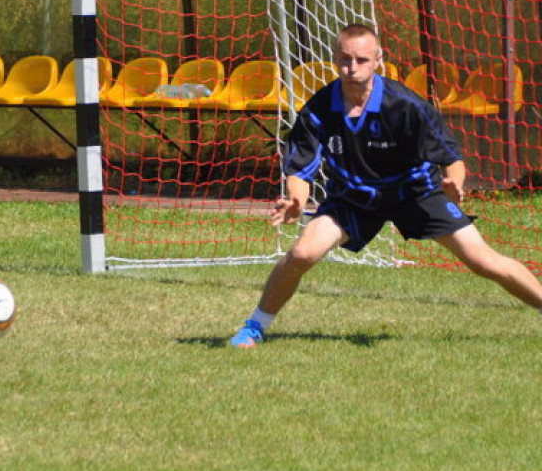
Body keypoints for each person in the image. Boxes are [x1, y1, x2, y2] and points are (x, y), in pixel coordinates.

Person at [230, 23, 542, 348]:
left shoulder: (406, 106)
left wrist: (454, 183)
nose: (353, 68)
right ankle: (255, 327)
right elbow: (301, 168)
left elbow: (451, 156)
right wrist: (296, 199)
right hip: (354, 197)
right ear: (336, 59)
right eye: (346, 60)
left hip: (416, 192)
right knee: (301, 253)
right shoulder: (319, 109)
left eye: (362, 60)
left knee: (483, 261)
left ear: (378, 59)